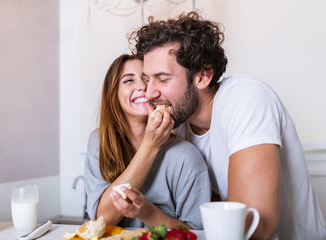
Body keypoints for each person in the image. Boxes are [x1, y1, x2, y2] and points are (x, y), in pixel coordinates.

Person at [129, 11, 326, 239]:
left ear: (203, 75)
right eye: (147, 79)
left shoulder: (245, 98)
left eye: (162, 79)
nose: (150, 92)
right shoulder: (177, 125)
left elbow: (258, 227)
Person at [84, 54, 211, 229]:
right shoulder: (100, 142)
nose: (143, 87)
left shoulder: (186, 156)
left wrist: (147, 212)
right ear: (113, 94)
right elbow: (103, 219)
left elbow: (196, 233)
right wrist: (150, 146)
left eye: (147, 79)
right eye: (129, 81)